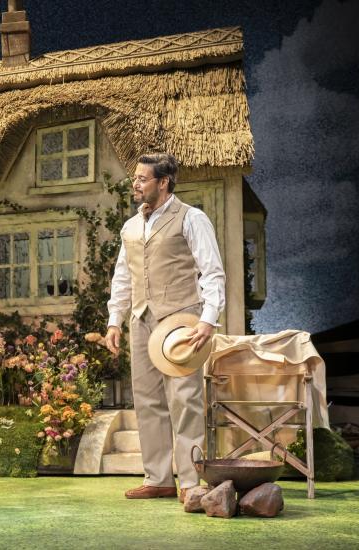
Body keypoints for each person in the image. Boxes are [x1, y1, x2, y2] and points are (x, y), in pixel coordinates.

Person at [104, 153, 225, 503]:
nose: (136, 184)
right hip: (141, 321)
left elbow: (212, 271)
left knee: (185, 400)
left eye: (143, 178)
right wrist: (115, 320)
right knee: (146, 400)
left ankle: (191, 480)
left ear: (163, 182)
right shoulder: (131, 226)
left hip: (182, 319)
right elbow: (123, 277)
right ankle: (157, 477)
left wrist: (208, 319)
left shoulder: (192, 219)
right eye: (135, 178)